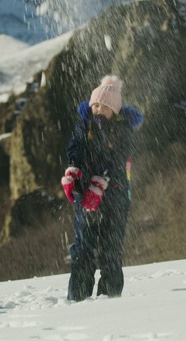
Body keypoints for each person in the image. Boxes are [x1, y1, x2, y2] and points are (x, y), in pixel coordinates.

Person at [61, 75, 143, 302]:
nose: (98, 109)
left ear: (115, 111)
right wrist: (73, 171)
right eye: (95, 104)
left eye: (105, 106)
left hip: (115, 197)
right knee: (83, 249)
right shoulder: (84, 124)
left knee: (110, 249)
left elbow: (117, 161)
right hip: (85, 194)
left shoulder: (123, 131)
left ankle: (110, 297)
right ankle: (77, 297)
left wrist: (100, 184)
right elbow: (75, 147)